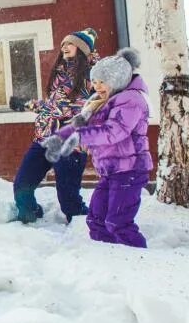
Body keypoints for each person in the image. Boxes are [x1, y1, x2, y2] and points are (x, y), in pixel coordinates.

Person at [41, 47, 152, 248]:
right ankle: (109, 259)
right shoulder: (99, 102)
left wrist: (78, 138)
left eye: (103, 82)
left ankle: (140, 262)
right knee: (96, 221)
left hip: (130, 170)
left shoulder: (131, 100)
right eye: (95, 82)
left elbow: (114, 131)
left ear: (117, 80)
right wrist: (59, 137)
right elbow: (78, 123)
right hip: (111, 171)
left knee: (118, 222)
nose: (97, 87)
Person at [11, 28, 98, 224]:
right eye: (63, 44)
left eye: (70, 43)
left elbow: (93, 106)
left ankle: (87, 229)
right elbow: (52, 106)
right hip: (45, 138)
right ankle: (29, 215)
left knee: (69, 201)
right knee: (21, 185)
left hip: (70, 144)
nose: (64, 47)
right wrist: (26, 104)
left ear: (82, 49)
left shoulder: (94, 75)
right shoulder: (60, 75)